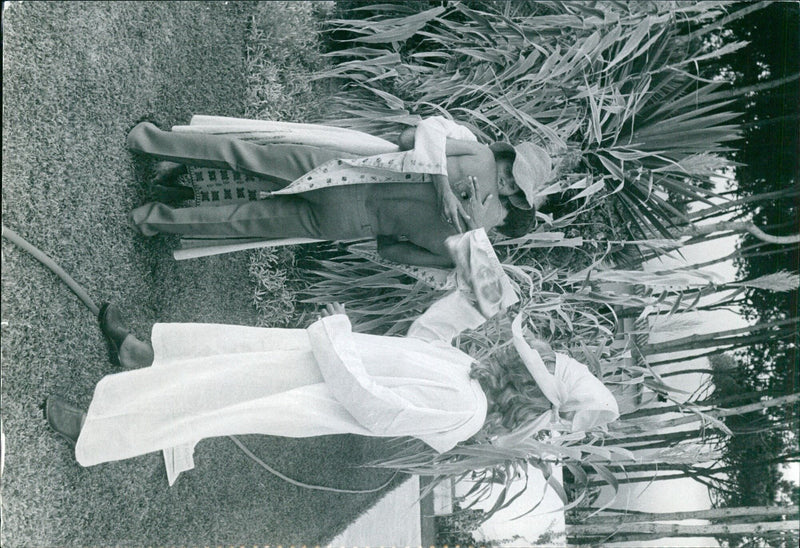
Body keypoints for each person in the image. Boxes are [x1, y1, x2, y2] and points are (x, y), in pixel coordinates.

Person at [127, 116, 555, 267]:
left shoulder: (477, 154)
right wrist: (431, 206)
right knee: (244, 221)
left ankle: (149, 140)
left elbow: (414, 136)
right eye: (513, 175)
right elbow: (390, 252)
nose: (507, 183)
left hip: (347, 174)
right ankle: (149, 220)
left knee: (245, 156)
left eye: (513, 185)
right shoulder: (463, 245)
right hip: (350, 221)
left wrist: (440, 181)